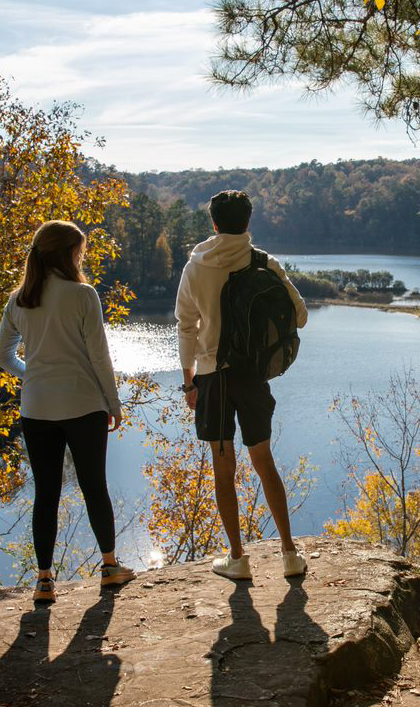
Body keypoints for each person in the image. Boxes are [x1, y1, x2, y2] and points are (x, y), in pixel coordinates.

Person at [0, 220, 136, 603]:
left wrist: (33, 376)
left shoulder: (19, 299)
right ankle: (109, 567)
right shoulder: (83, 295)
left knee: (46, 493)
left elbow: (2, 357)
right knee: (94, 486)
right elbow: (99, 358)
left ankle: (44, 581)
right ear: (68, 253)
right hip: (83, 404)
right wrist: (113, 402)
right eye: (80, 250)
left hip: (36, 407)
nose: (82, 256)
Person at [175, 190, 309, 580]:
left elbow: (186, 328)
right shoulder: (264, 263)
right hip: (252, 376)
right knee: (264, 461)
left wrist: (189, 384)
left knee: (223, 470)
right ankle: (289, 555)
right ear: (248, 222)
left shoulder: (195, 267)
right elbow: (300, 317)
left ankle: (238, 558)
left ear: (213, 223)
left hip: (212, 379)